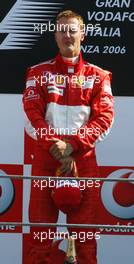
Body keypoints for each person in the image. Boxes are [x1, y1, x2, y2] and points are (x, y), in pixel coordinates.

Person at [23, 9, 114, 264]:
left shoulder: (99, 75)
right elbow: (32, 114)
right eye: (62, 29)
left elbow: (105, 119)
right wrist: (56, 146)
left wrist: (72, 146)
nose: (67, 34)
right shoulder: (38, 72)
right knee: (39, 238)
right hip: (46, 159)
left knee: (85, 240)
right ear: (54, 35)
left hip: (83, 161)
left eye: (72, 29)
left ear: (82, 34)